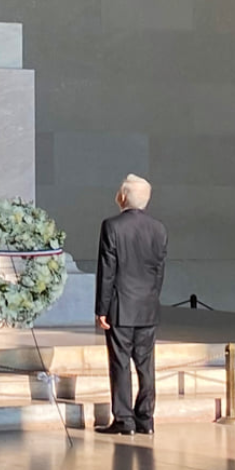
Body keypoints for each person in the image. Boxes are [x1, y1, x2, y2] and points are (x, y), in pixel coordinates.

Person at [94, 173, 167, 435]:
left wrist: (101, 309)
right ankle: (146, 418)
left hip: (121, 307)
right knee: (145, 365)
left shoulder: (112, 226)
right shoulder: (159, 228)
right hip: (147, 306)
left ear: (123, 196)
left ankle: (124, 419)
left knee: (121, 364)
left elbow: (107, 270)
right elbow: (159, 271)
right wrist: (152, 298)